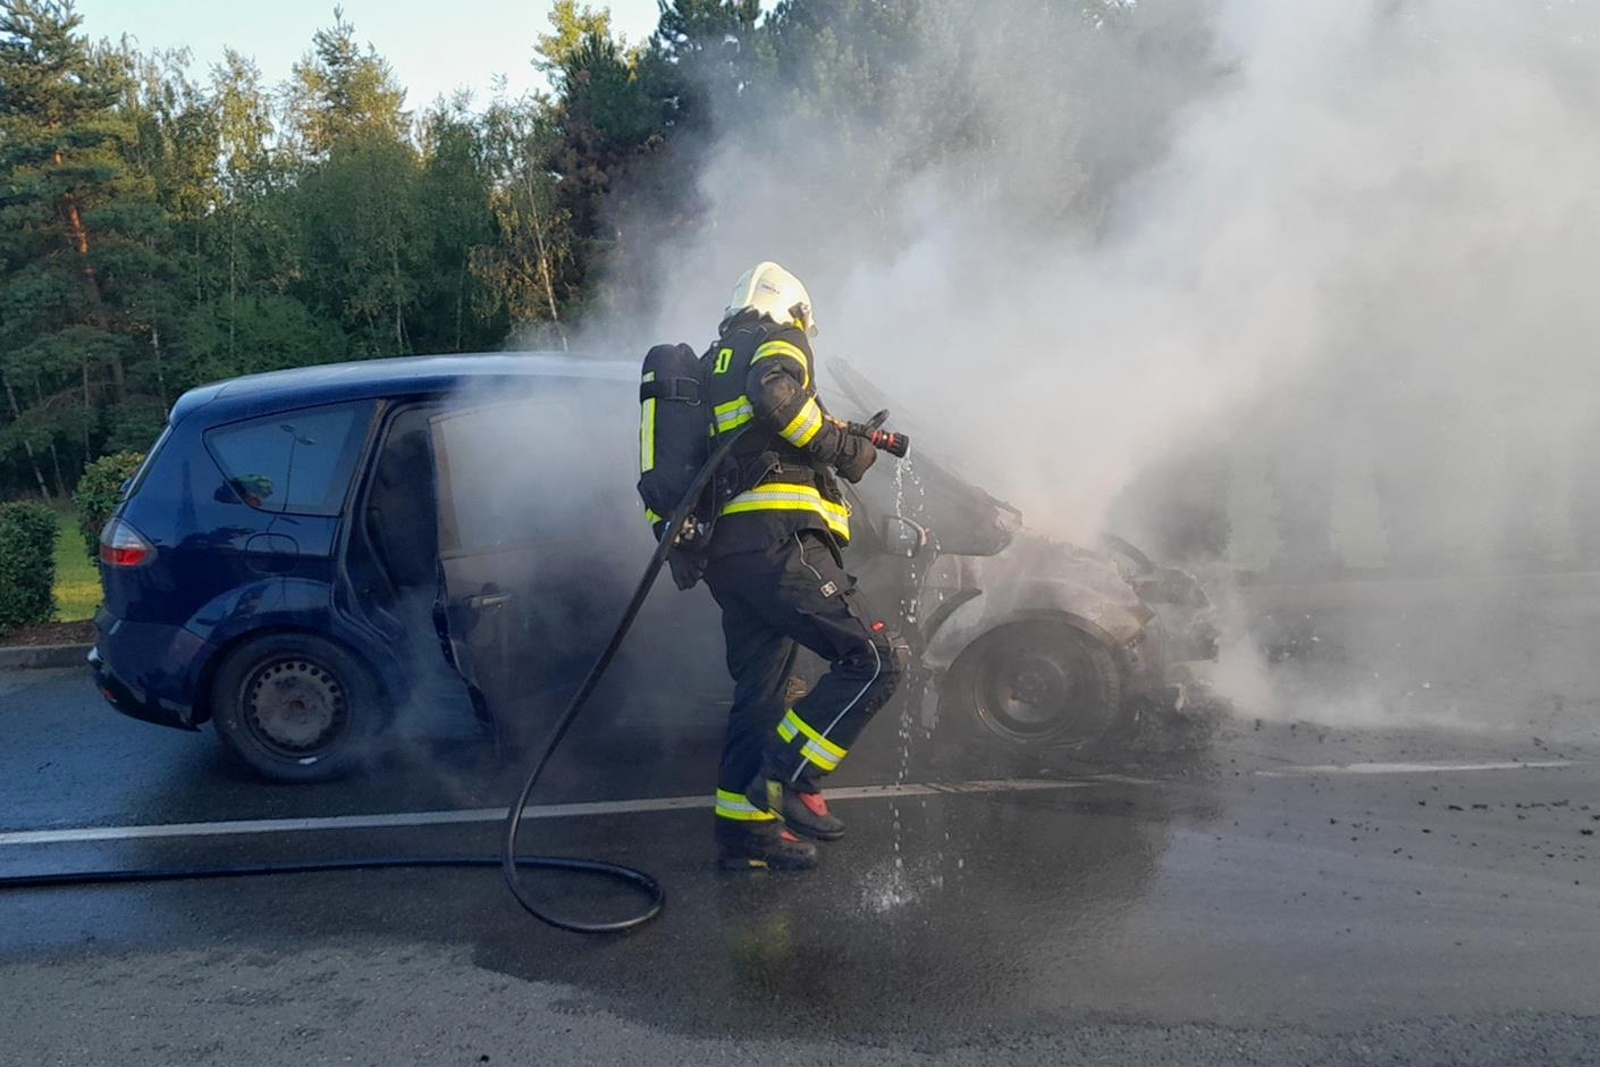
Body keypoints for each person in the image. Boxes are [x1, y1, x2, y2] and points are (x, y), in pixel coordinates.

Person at [701, 261, 906, 871]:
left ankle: (746, 835)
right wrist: (846, 450)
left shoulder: (717, 363)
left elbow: (766, 431)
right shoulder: (778, 339)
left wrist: (851, 436)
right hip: (780, 545)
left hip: (732, 558)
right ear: (794, 310)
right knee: (876, 659)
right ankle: (791, 774)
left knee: (760, 696)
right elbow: (779, 396)